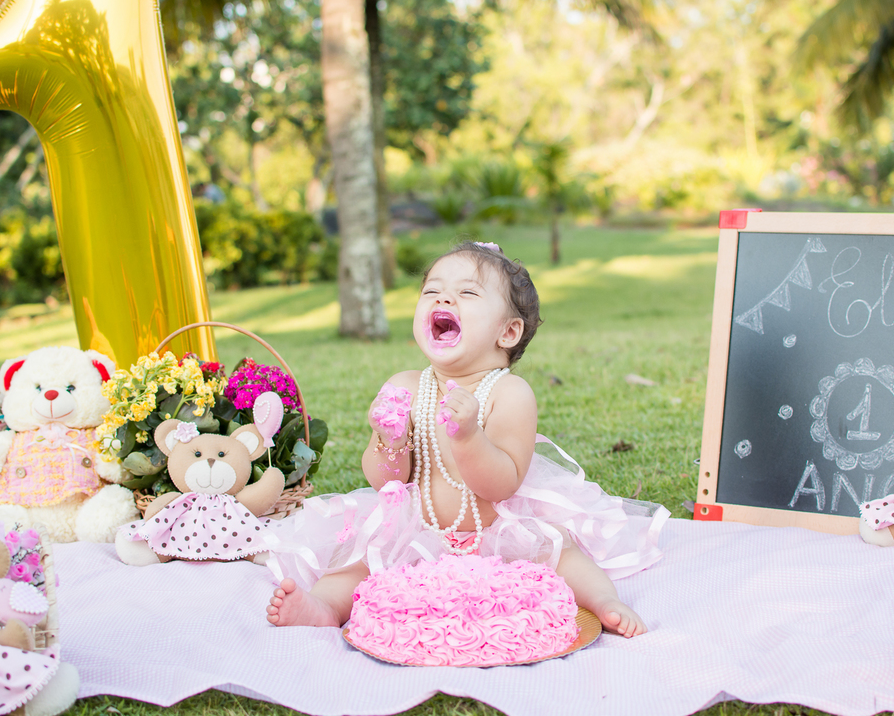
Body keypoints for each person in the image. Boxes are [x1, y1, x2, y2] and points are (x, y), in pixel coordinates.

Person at [260, 241, 668, 637]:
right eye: (432, 291)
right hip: (417, 527)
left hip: (498, 529)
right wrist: (389, 441)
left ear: (507, 332)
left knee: (561, 551)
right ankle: (325, 607)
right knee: (361, 560)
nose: (444, 300)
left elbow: (502, 484)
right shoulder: (404, 387)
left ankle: (604, 602)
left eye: (467, 293)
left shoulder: (509, 394)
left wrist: (469, 435)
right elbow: (386, 482)